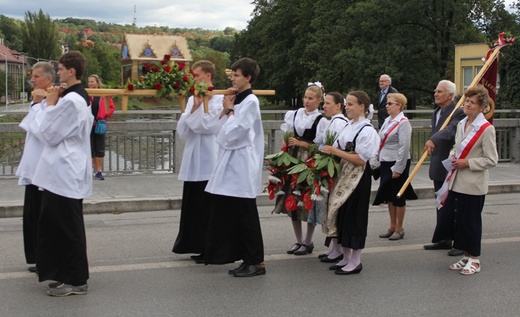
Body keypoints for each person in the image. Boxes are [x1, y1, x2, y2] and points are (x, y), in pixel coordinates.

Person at [27, 51, 93, 296]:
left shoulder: (71, 101)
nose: (58, 74)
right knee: (55, 224)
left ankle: (76, 280)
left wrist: (49, 105)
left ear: (71, 71)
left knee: (67, 226)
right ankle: (63, 272)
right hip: (61, 169)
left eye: (61, 69)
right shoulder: (76, 97)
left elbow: (48, 134)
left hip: (65, 169)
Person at [204, 58, 266, 277]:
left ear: (248, 78)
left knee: (246, 213)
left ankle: (256, 261)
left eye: (237, 75)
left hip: (242, 161)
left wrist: (230, 110)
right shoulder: (237, 99)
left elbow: (237, 132)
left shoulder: (250, 101)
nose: (232, 78)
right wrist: (225, 109)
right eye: (232, 74)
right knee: (235, 213)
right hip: (231, 160)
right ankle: (244, 257)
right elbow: (215, 129)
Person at [431, 85, 498, 275]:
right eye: (466, 101)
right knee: (458, 221)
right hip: (456, 181)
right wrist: (453, 156)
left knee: (471, 222)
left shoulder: (486, 129)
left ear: (482, 107)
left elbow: (491, 159)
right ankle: (466, 256)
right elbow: (457, 147)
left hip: (473, 184)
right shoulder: (462, 124)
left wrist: (468, 162)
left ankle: (475, 259)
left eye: (472, 102)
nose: (467, 105)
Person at [320, 91, 379, 275]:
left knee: (355, 216)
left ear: (362, 106)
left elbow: (361, 160)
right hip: (344, 174)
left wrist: (336, 152)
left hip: (357, 177)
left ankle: (356, 260)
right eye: (347, 104)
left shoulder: (367, 130)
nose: (348, 107)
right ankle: (345, 256)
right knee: (342, 214)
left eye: (351, 104)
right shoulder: (349, 126)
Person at [172, 60, 223, 263]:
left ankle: (210, 247)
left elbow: (208, 126)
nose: (194, 79)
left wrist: (197, 111)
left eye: (197, 75)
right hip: (193, 158)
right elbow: (182, 130)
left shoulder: (219, 99)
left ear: (208, 76)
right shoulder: (195, 98)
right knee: (194, 207)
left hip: (210, 157)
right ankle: (194, 244)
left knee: (208, 207)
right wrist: (194, 107)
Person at [275, 83, 325, 256]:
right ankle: (298, 239)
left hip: (308, 162)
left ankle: (308, 240)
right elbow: (287, 137)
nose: (307, 101)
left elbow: (320, 146)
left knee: (307, 199)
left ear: (319, 100)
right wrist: (283, 152)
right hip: (293, 159)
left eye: (311, 98)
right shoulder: (294, 114)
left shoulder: (321, 120)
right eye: (305, 97)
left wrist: (302, 144)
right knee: (292, 200)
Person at [15, 62, 55, 274]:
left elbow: (41, 129)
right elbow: (28, 126)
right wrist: (35, 104)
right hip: (32, 168)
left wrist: (37, 104)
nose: (33, 79)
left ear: (49, 79)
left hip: (44, 169)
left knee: (42, 217)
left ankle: (46, 259)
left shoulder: (53, 102)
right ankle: (38, 257)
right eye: (32, 76)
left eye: (37, 76)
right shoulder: (39, 102)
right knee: (31, 217)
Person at [423, 80, 466, 256]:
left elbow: (451, 131)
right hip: (438, 164)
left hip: (451, 164)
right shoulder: (436, 112)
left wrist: (434, 139)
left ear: (450, 95)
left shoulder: (458, 112)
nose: (435, 94)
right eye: (435, 91)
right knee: (440, 203)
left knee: (453, 205)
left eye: (439, 91)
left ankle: (459, 241)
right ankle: (443, 238)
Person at [373, 93, 417, 240]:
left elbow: (404, 147)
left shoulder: (403, 122)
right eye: (387, 103)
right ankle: (392, 226)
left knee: (398, 196)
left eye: (390, 103)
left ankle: (400, 227)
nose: (387, 105)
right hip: (386, 161)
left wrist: (398, 168)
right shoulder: (388, 120)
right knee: (389, 196)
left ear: (399, 105)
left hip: (397, 162)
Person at [314, 92, 349, 263]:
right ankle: (335, 247)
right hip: (329, 166)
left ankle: (339, 248)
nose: (324, 106)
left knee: (333, 207)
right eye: (324, 103)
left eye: (328, 103)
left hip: (335, 166)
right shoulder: (333, 121)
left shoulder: (340, 122)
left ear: (338, 105)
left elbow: (335, 146)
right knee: (329, 207)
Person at [87, 74, 115, 181]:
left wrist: (104, 115)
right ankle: (88, 171)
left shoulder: (104, 95)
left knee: (99, 148)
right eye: (89, 82)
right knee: (88, 148)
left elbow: (111, 108)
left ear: (97, 83)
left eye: (92, 81)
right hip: (88, 125)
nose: (90, 83)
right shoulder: (86, 95)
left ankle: (98, 171)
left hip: (99, 124)